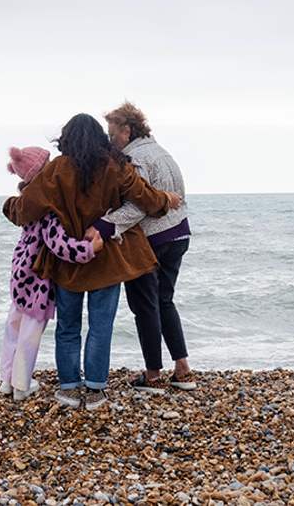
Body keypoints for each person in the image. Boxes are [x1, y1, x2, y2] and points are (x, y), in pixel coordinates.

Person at [3, 114, 182, 411]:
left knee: (68, 327)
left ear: (66, 139)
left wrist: (8, 205)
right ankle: (96, 391)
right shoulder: (115, 166)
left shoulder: (56, 170)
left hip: (66, 265)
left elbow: (24, 211)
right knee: (101, 328)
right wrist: (167, 200)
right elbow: (145, 198)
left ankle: (69, 390)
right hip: (106, 263)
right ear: (99, 138)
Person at [90, 101, 196, 394]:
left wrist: (103, 226)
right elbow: (178, 195)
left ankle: (152, 376)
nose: (111, 140)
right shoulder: (163, 152)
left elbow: (138, 206)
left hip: (151, 241)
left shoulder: (134, 158)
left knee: (144, 307)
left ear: (127, 129)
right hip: (179, 234)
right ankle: (183, 370)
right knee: (165, 301)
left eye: (113, 134)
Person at [0, 146, 102, 402]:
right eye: (49, 163)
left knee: (14, 327)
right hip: (38, 280)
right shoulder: (46, 205)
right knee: (30, 333)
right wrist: (89, 249)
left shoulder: (26, 199)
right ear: (42, 172)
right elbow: (58, 243)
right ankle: (22, 386)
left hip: (19, 272)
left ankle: (6, 380)